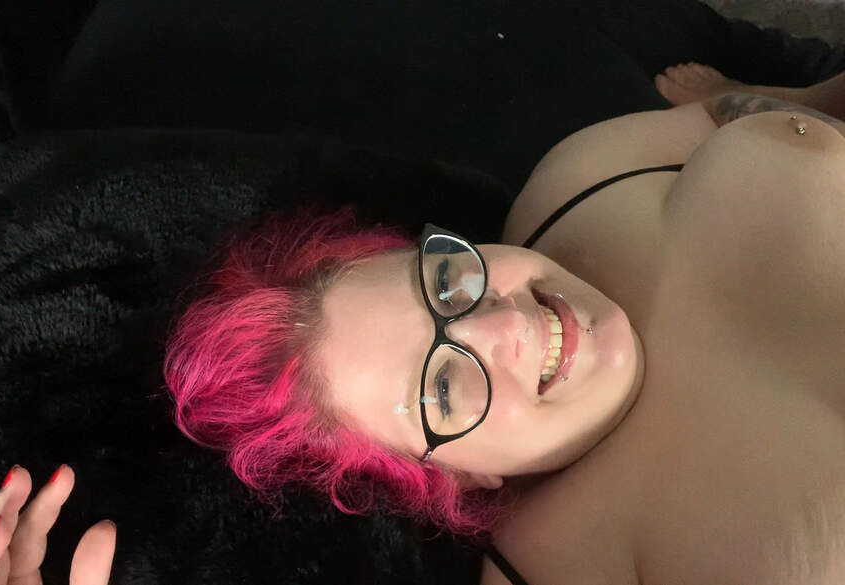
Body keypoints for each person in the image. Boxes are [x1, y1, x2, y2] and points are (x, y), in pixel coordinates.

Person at [162, 63, 845, 585]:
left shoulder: (581, 175)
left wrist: (777, 100)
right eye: (443, 389)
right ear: (455, 480)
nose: (504, 326)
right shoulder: (560, 569)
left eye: (444, 284)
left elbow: (753, 120)